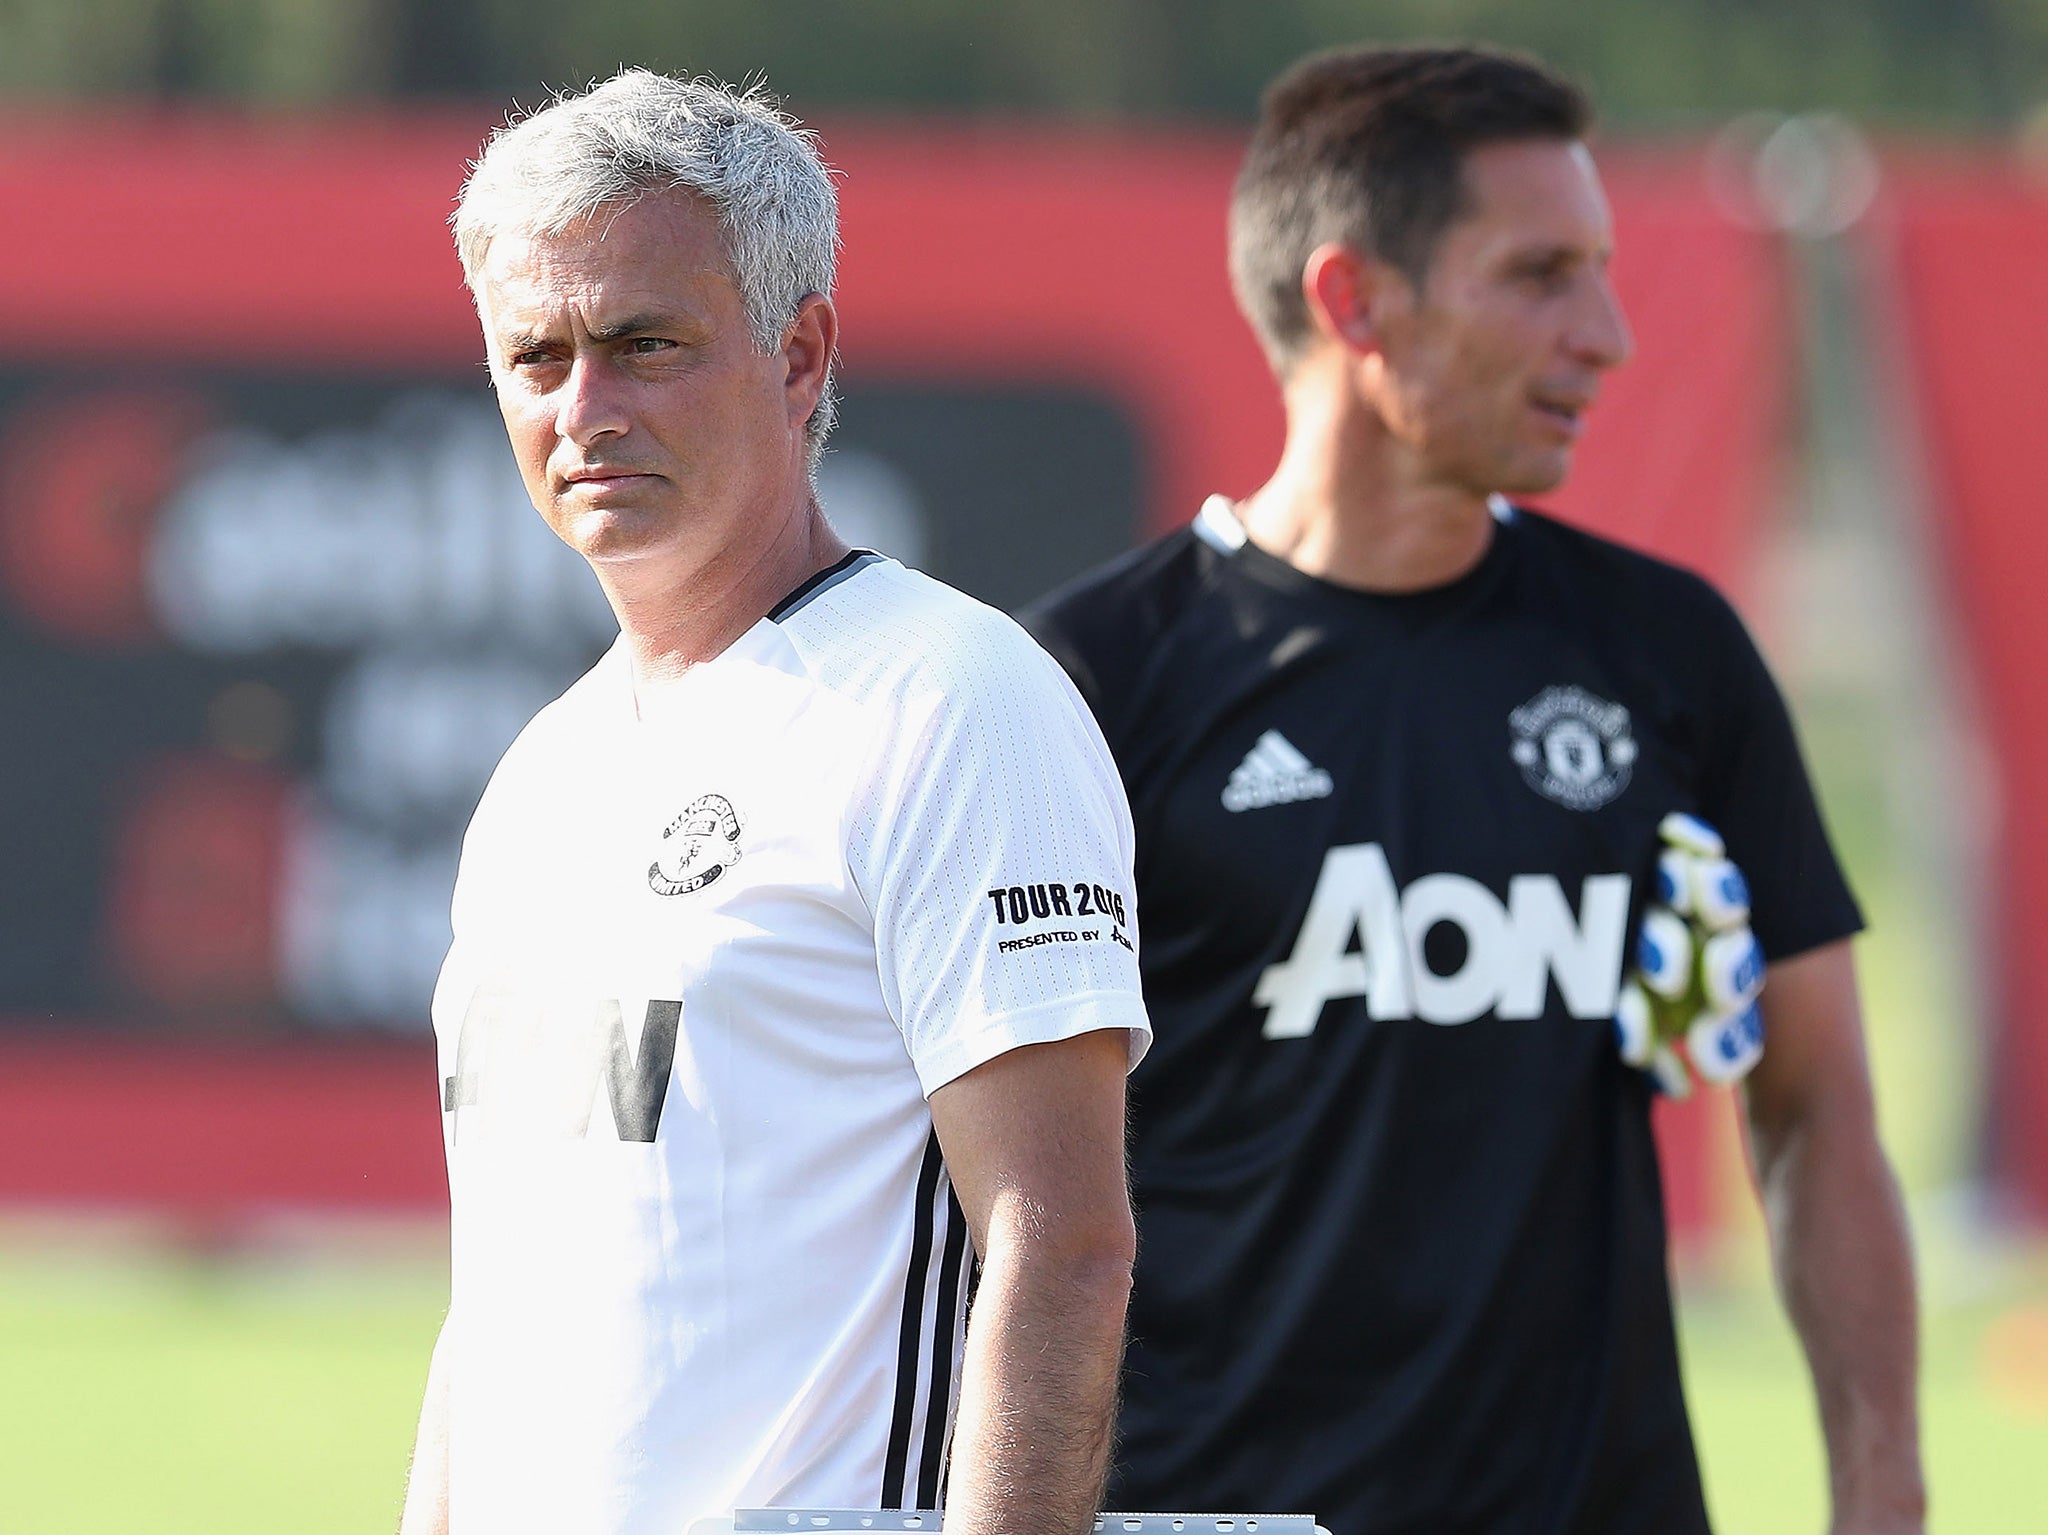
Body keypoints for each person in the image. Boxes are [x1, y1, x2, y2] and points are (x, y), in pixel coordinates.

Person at [1022, 44, 1925, 1535]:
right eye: (1542, 275)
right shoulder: (1088, 682)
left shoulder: (1669, 653)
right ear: (1353, 299)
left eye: (1607, 271)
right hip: (1210, 1518)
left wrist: (1882, 1496)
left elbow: (1818, 1105)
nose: (1609, 335)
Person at [400, 70, 1150, 1535]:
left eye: (645, 344)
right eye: (534, 355)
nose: (583, 409)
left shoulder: (951, 701)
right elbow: (492, 1308)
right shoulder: (541, 770)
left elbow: (1060, 1246)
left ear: (799, 357)